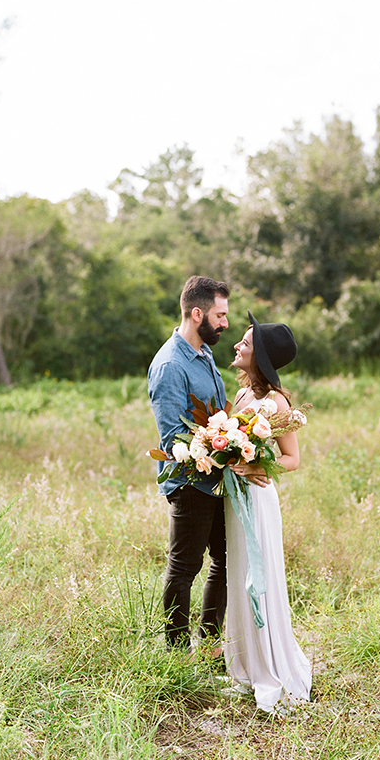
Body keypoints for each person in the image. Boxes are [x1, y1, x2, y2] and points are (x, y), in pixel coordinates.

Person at [224, 311, 312, 713]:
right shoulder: (242, 397)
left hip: (258, 499)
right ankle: (244, 665)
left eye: (246, 342)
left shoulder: (276, 402)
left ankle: (272, 665)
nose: (239, 345)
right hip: (234, 499)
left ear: (258, 355)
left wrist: (260, 466)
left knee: (259, 578)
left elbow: (292, 458)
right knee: (238, 573)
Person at [147, 275, 231, 651]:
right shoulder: (169, 365)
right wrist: (217, 447)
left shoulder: (204, 353)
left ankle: (210, 646)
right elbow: (173, 439)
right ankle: (177, 656)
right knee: (184, 569)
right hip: (190, 482)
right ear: (198, 314)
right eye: (220, 315)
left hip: (218, 479)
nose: (225, 323)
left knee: (225, 560)